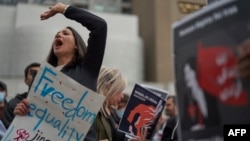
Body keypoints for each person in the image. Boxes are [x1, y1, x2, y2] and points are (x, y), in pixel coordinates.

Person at [13, 2, 107, 141]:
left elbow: (100, 26)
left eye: (65, 34)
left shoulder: (87, 69)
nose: (58, 36)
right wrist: (21, 112)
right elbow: (34, 120)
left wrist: (64, 9)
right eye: (56, 34)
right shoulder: (41, 79)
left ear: (76, 46)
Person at [2, 62, 40, 129]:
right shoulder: (13, 105)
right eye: (33, 73)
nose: (36, 76)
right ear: (25, 80)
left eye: (40, 74)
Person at [95, 66, 128, 141]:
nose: (122, 96)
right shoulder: (93, 111)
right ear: (109, 87)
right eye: (120, 91)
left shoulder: (112, 111)